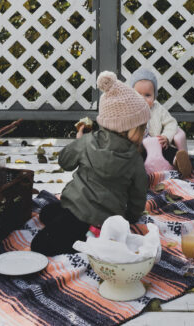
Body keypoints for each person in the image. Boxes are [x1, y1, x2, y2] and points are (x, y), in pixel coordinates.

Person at [31, 70, 150, 256]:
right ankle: (91, 234)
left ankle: (84, 241)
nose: (144, 131)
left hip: (77, 210)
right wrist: (131, 218)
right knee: (46, 212)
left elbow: (65, 161)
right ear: (131, 128)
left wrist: (78, 142)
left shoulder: (87, 142)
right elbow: (138, 194)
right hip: (107, 218)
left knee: (39, 245)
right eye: (142, 127)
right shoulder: (135, 158)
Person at [131, 67, 194, 178]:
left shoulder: (158, 109)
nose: (142, 99)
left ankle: (181, 163)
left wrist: (166, 137)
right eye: (138, 94)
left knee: (169, 151)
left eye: (147, 95)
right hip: (140, 147)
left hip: (158, 145)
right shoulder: (129, 111)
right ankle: (138, 175)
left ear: (154, 96)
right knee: (135, 157)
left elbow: (171, 123)